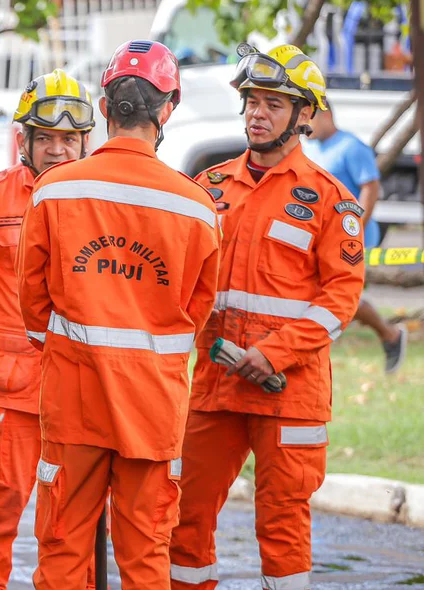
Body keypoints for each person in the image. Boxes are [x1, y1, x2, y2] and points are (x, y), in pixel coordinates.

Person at [18, 40, 221, 588]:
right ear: (167, 110)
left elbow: (32, 303)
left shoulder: (53, 190)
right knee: (146, 555)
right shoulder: (197, 207)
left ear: (104, 109)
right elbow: (198, 309)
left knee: (62, 549)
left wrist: (65, 347)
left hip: (74, 397)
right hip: (153, 407)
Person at [169, 44, 366, 590]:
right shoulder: (207, 189)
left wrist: (273, 353)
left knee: (282, 528)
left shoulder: (331, 202)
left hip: (289, 393)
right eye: (253, 101)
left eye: (274, 103)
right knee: (184, 519)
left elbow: (339, 301)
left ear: (306, 114)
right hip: (214, 388)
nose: (258, 112)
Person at [0, 69, 98, 590]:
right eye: (47, 138)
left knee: (69, 529)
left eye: (69, 139)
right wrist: (0, 346)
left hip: (80, 394)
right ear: (23, 140)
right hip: (10, 399)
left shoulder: (103, 199)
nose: (58, 150)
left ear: (85, 141)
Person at [304, 104, 408, 374]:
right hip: (318, 235)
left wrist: (355, 229)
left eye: (310, 117)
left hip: (351, 237)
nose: (305, 125)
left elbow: (370, 188)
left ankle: (390, 335)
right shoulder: (308, 147)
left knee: (339, 294)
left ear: (326, 115)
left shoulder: (352, 147)